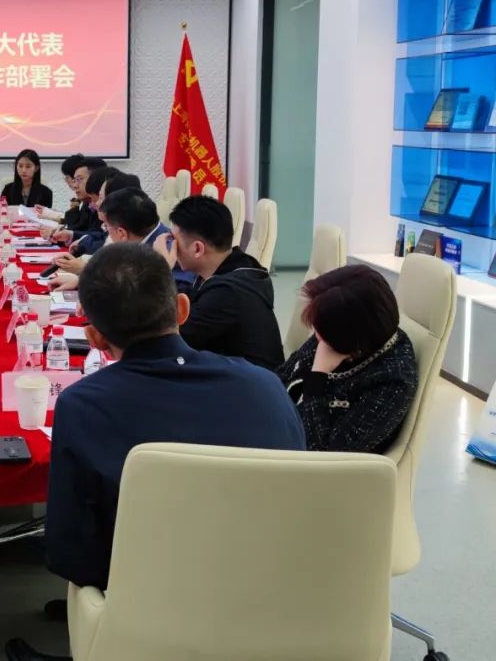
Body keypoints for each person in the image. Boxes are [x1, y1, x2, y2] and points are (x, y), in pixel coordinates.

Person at [44, 244, 304, 593]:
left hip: (148, 602)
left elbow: (69, 554)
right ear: (183, 308)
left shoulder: (82, 405)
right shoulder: (265, 385)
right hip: (273, 591)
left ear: (95, 337)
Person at [278, 265, 418, 453]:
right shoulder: (339, 330)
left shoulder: (392, 381)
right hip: (278, 425)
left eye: (322, 333)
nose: (316, 335)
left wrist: (318, 376)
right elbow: (283, 375)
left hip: (297, 459)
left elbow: (322, 452)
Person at [155, 195, 284, 370]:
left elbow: (171, 335)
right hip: (232, 373)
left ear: (197, 248)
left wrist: (159, 269)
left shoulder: (229, 292)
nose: (171, 248)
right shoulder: (232, 266)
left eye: (174, 241)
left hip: (249, 384)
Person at [49, 188, 163, 288]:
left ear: (121, 233)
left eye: (106, 226)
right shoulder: (142, 236)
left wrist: (85, 271)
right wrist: (80, 281)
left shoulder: (162, 252)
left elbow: (136, 291)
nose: (105, 231)